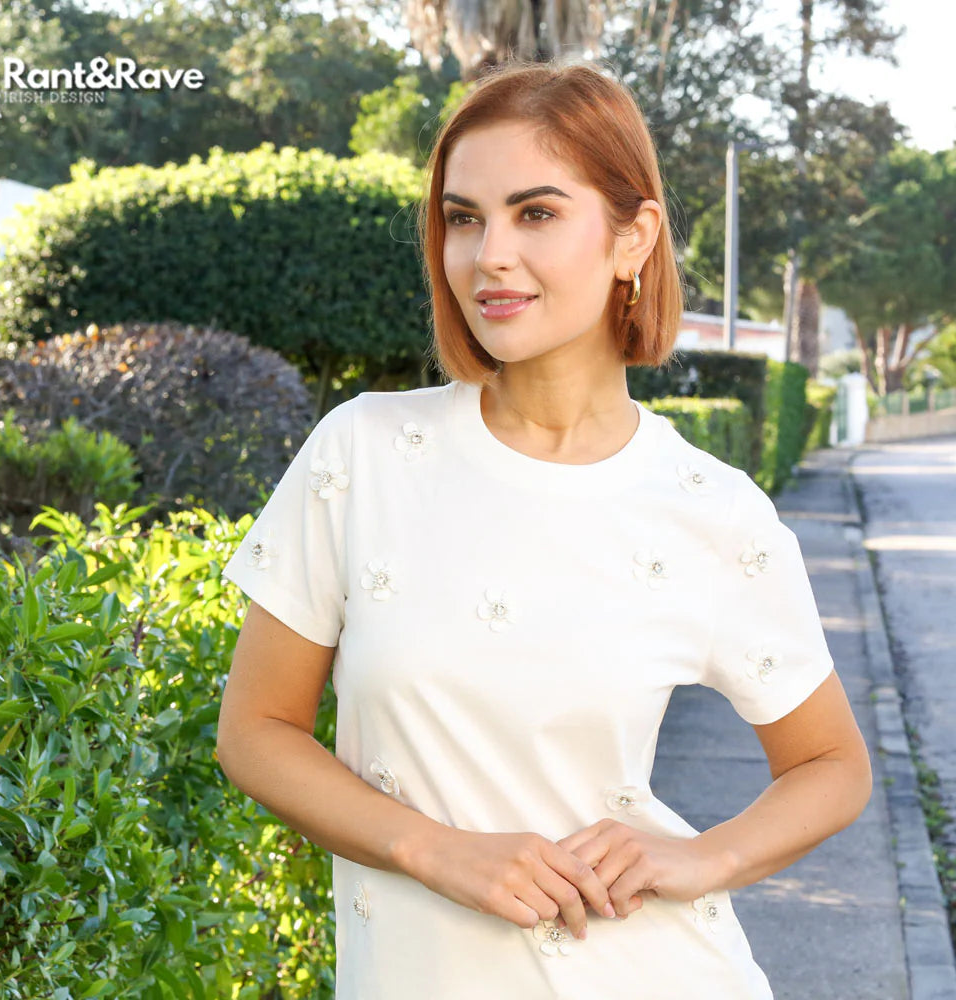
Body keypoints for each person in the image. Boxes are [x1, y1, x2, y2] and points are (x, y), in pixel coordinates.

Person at [216, 59, 872, 999]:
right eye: (463, 216)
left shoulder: (712, 508)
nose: (488, 256)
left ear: (632, 237)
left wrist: (701, 860)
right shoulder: (361, 453)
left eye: (536, 213)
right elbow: (255, 732)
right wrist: (432, 850)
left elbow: (833, 765)